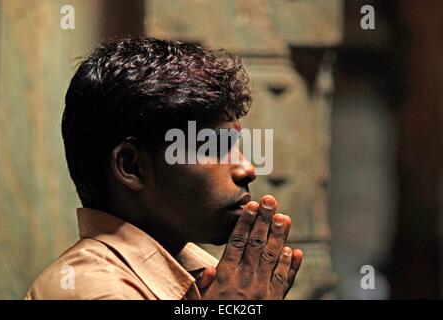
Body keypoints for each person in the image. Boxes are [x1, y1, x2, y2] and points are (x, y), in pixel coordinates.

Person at [25, 37, 303, 300]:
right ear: (131, 166)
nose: (247, 168)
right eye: (214, 146)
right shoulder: (96, 289)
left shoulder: (204, 274)